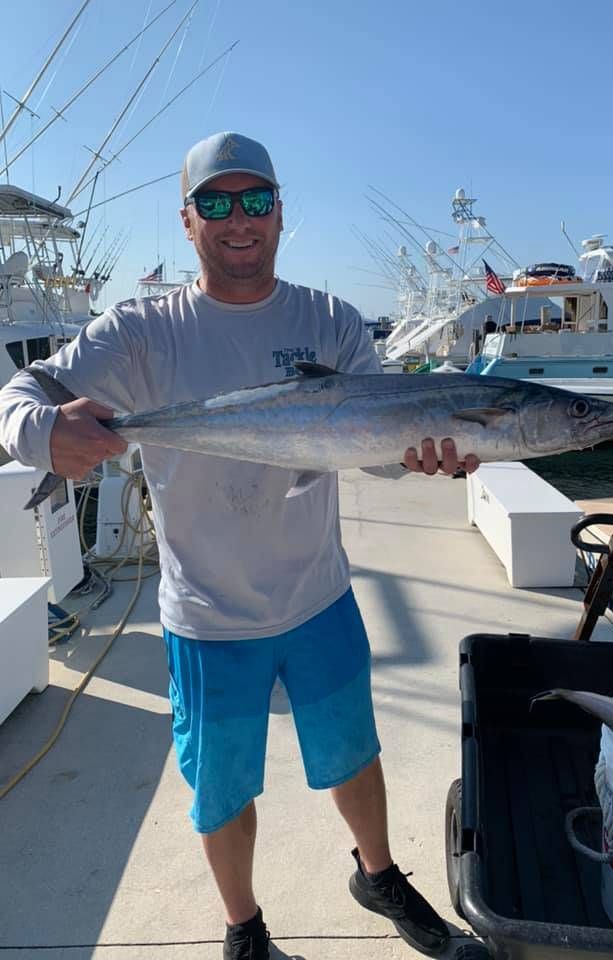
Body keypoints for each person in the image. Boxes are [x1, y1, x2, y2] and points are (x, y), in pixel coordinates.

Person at [0, 132, 480, 960]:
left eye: (255, 200)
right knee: (221, 790)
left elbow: (373, 439)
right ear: (186, 221)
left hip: (319, 597)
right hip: (206, 615)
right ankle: (243, 929)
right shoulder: (143, 330)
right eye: (216, 203)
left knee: (354, 754)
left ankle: (377, 873)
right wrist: (42, 434)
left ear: (281, 213)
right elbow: (19, 394)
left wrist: (420, 454)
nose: (238, 219)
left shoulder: (328, 320)